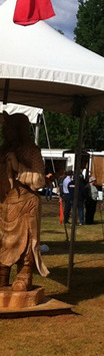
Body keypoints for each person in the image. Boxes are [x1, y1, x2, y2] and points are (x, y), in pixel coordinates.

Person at [0, 113, 48, 292]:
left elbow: (39, 180)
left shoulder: (31, 150)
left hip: (24, 204)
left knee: (26, 241)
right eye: (3, 129)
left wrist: (17, 167)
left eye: (8, 128)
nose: (4, 132)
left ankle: (24, 274)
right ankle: (2, 272)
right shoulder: (2, 150)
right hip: (4, 202)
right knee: (2, 241)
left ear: (18, 130)